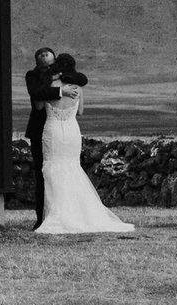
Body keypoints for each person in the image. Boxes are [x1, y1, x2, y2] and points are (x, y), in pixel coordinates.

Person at [34, 52, 135, 235]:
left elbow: (39, 106)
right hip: (72, 130)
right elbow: (80, 111)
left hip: (53, 130)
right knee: (72, 168)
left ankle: (57, 214)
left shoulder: (51, 86)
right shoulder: (78, 88)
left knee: (53, 169)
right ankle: (80, 213)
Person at [22, 47, 60, 227]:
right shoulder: (32, 75)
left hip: (59, 128)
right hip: (39, 128)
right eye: (41, 54)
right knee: (41, 173)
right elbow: (36, 96)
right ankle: (41, 217)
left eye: (48, 53)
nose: (44, 55)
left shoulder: (62, 75)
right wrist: (57, 89)